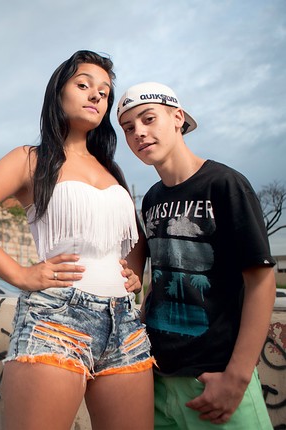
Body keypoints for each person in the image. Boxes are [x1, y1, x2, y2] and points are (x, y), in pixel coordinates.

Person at [0, 50, 154, 430]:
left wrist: (134, 271)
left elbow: (136, 236)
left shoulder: (111, 169)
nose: (96, 96)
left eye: (104, 93)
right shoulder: (31, 159)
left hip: (125, 321)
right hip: (57, 317)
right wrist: (21, 275)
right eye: (84, 85)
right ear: (58, 93)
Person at [117, 81, 276, 429]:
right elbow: (162, 275)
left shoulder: (224, 184)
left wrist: (236, 378)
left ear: (177, 118)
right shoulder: (152, 198)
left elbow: (261, 280)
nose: (139, 134)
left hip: (213, 379)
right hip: (158, 377)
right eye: (129, 128)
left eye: (148, 119)